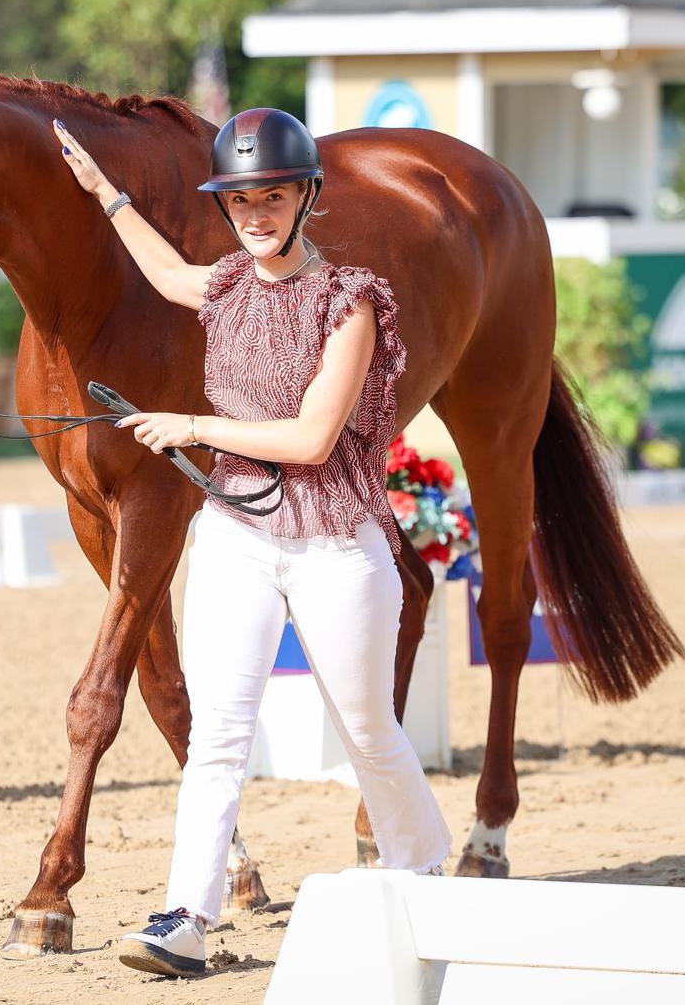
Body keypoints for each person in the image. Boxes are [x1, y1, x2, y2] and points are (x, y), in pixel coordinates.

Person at [53, 107, 451, 978]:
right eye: (241, 201)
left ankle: (425, 872)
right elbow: (163, 274)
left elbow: (313, 439)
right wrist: (102, 191)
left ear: (306, 196)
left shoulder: (349, 304)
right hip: (238, 534)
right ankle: (185, 915)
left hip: (337, 544)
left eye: (273, 196)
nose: (257, 214)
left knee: (367, 729)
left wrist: (192, 423)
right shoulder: (227, 284)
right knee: (219, 736)